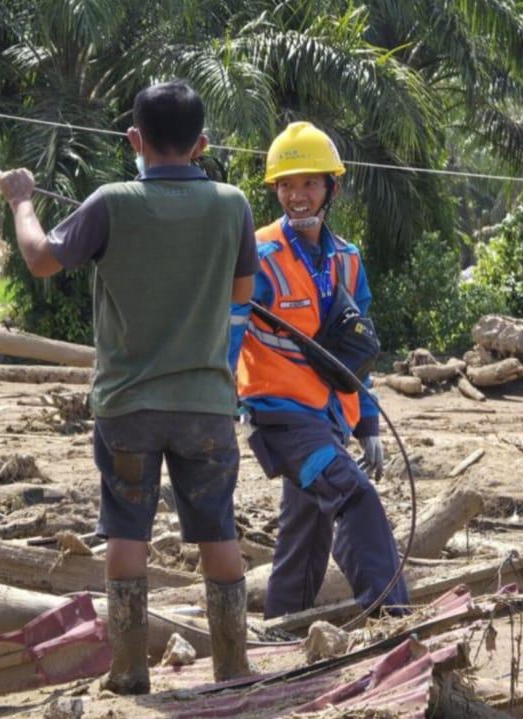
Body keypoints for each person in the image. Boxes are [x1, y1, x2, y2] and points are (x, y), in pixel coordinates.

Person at [0, 80, 258, 693]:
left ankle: (129, 669)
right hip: (207, 406)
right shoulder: (234, 204)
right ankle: (234, 668)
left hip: (127, 406)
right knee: (219, 531)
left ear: (134, 140)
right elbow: (241, 297)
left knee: (126, 531)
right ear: (202, 143)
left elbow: (39, 258)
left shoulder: (112, 201)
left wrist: (21, 200)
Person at [229, 122, 409, 620]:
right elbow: (226, 331)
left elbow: (358, 351)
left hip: (330, 418)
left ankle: (284, 626)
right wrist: (218, 403)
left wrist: (367, 422)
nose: (297, 195)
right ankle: (390, 613)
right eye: (286, 185)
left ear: (333, 186)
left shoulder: (347, 259)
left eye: (309, 183)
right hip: (282, 420)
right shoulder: (258, 256)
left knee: (307, 531)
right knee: (354, 497)